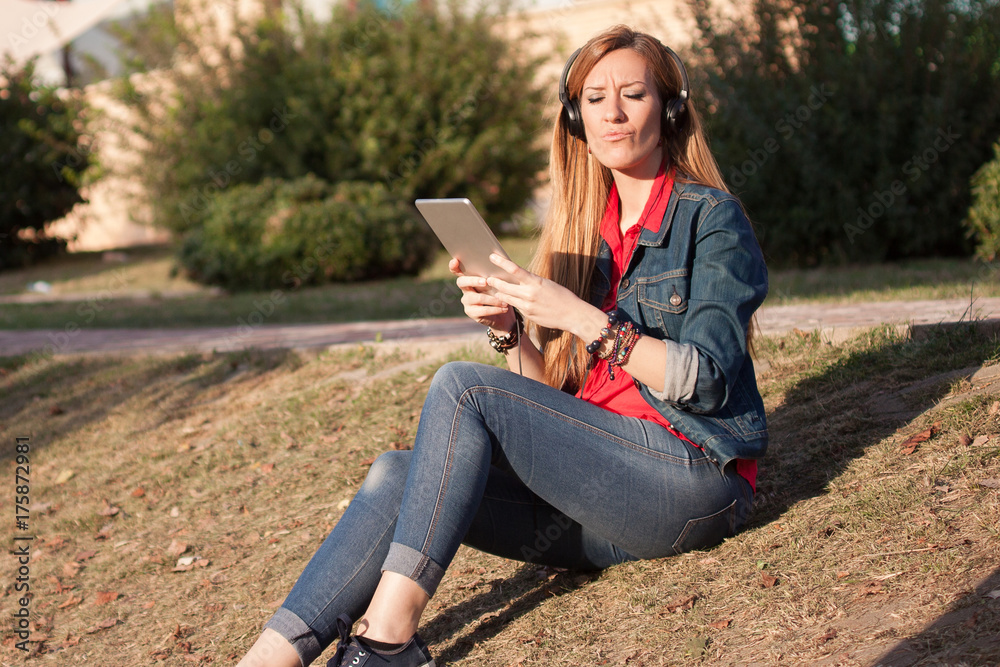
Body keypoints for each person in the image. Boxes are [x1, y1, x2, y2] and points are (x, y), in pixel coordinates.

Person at [236, 24, 767, 667]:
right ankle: (268, 659)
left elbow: (707, 380)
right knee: (397, 474)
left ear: (671, 109)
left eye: (633, 94)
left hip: (689, 483)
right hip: (602, 503)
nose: (614, 113)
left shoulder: (710, 218)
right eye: (595, 99)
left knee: (463, 387)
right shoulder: (583, 231)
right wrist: (511, 329)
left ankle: (386, 643)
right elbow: (548, 406)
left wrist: (583, 318)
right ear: (575, 118)